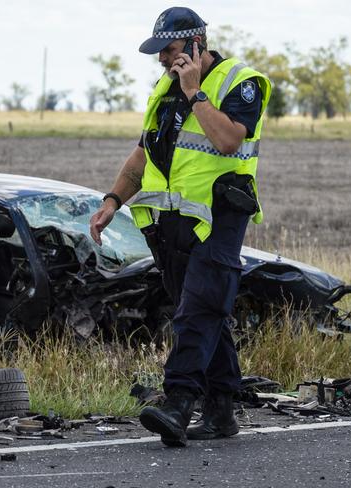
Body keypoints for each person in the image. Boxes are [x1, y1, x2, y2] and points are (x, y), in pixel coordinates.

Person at [89, 6, 271, 447]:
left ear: (196, 43)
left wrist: (195, 92)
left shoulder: (240, 82)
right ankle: (222, 411)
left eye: (169, 50)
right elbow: (142, 154)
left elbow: (229, 138)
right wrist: (114, 199)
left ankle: (178, 403)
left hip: (218, 218)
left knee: (197, 313)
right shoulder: (164, 88)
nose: (163, 61)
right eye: (159, 54)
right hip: (170, 223)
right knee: (207, 315)